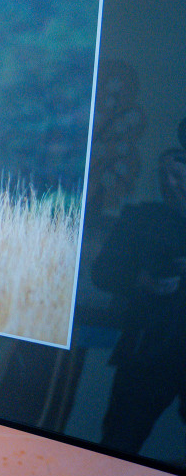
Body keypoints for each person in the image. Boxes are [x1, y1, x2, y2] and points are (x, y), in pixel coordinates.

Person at [92, 121, 186, 454]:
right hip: (146, 355)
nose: (169, 184)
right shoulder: (140, 219)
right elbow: (101, 273)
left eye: (178, 176)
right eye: (164, 177)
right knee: (118, 446)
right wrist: (140, 281)